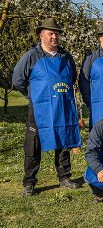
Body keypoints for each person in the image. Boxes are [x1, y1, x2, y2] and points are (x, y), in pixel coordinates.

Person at [12, 17, 81, 196]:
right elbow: (18, 79)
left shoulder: (66, 57)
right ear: (41, 35)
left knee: (63, 139)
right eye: (50, 33)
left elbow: (72, 77)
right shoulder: (31, 56)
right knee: (33, 144)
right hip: (39, 108)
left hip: (62, 105)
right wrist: (34, 95)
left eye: (57, 33)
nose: (54, 37)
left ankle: (64, 177)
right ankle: (29, 182)